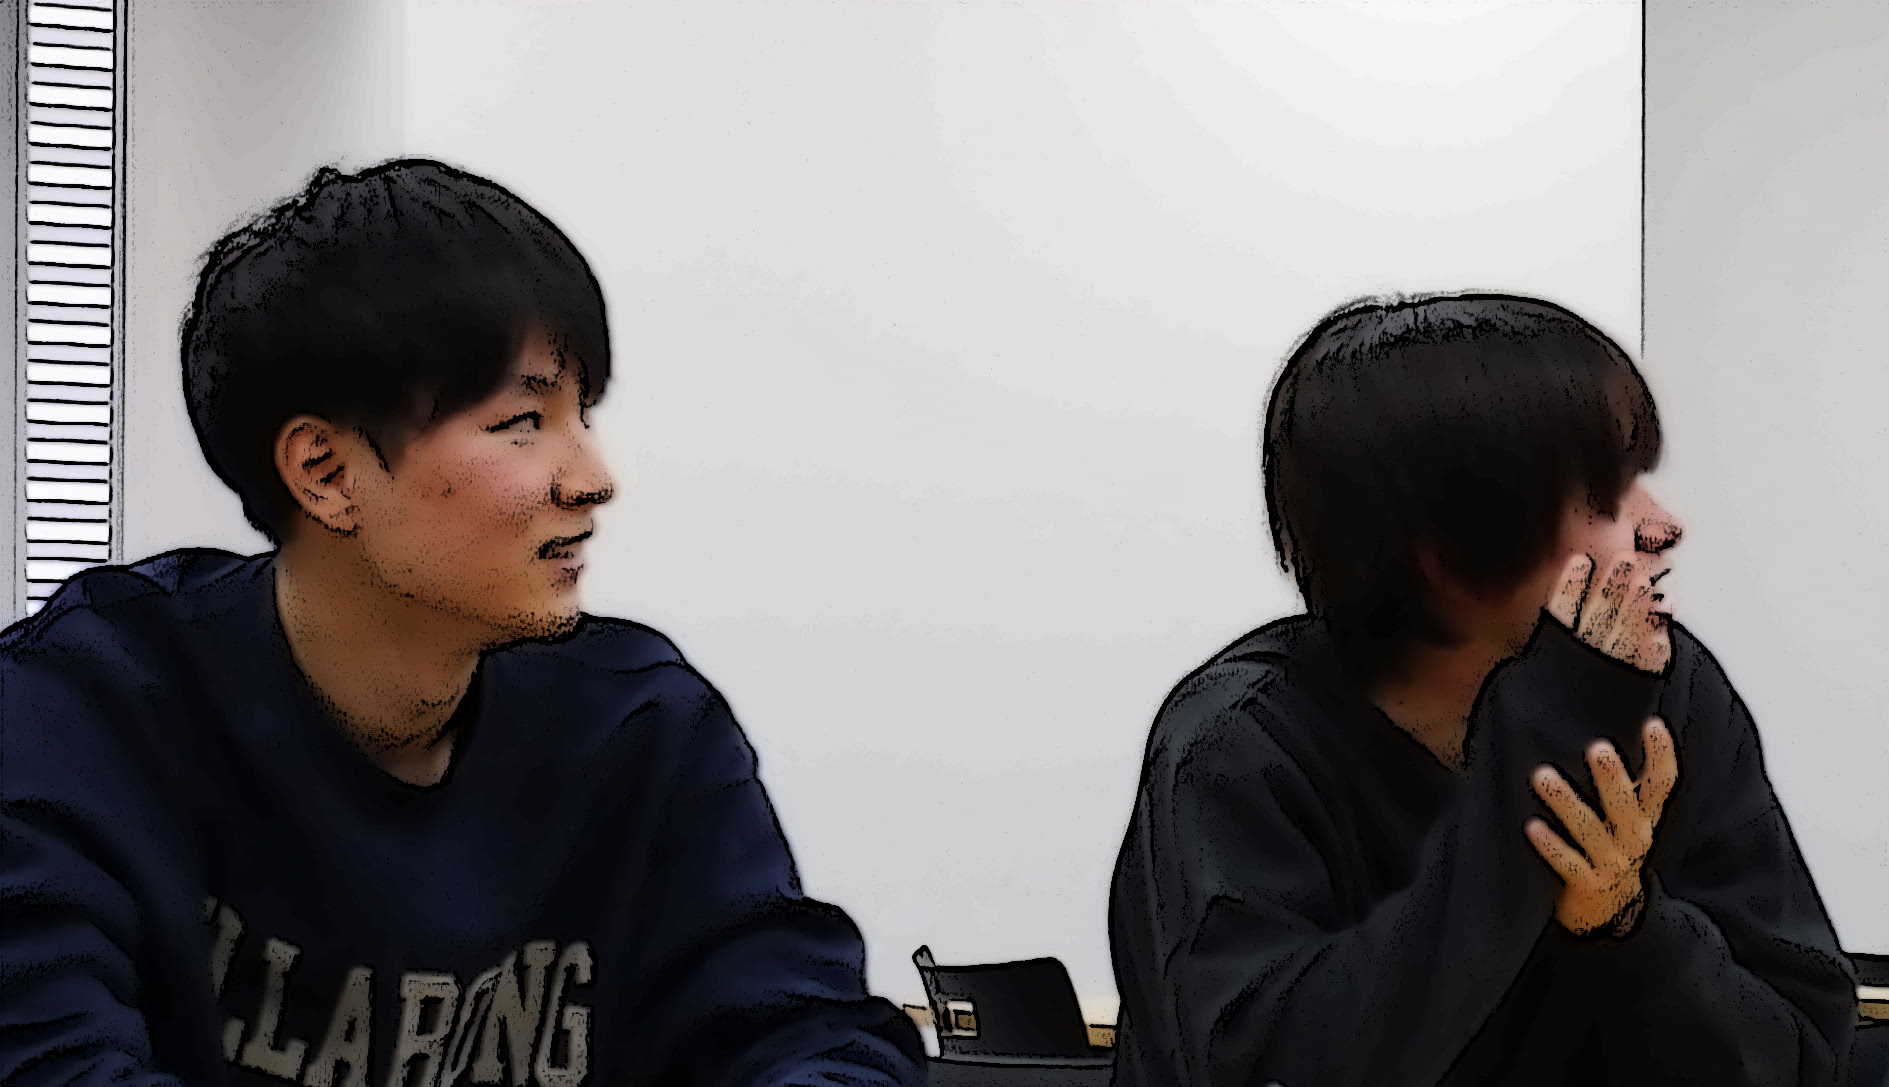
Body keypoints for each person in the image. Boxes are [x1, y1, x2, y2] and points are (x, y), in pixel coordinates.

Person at [0, 160, 924, 1087]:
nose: (593, 478)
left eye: (581, 414)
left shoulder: (639, 729)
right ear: (325, 472)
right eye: (523, 421)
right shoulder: (81, 710)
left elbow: (811, 1037)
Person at [1106, 293, 1858, 1086]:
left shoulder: (1664, 692)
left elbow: (1800, 1052)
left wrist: (1625, 920)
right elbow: (1281, 1067)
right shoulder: (1238, 748)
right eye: (1603, 494)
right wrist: (1540, 760)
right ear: (1447, 551)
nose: (1661, 526)